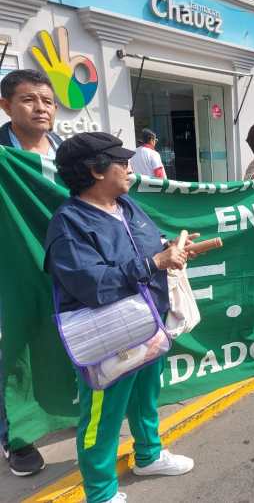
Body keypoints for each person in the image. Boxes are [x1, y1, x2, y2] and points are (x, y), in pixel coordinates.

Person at [44, 132, 196, 503]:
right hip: (108, 337)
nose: (130, 169)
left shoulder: (127, 206)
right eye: (122, 163)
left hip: (149, 324)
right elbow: (90, 284)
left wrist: (170, 249)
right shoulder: (69, 223)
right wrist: (152, 263)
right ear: (97, 170)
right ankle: (100, 493)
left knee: (147, 397)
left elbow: (149, 246)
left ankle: (148, 455)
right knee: (102, 417)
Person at [0, 69, 63, 477]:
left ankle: (58, 408)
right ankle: (15, 437)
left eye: (47, 101)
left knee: (60, 338)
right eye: (29, 99)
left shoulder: (68, 153)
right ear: (6, 106)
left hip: (61, 267)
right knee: (13, 350)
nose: (40, 108)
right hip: (12, 269)